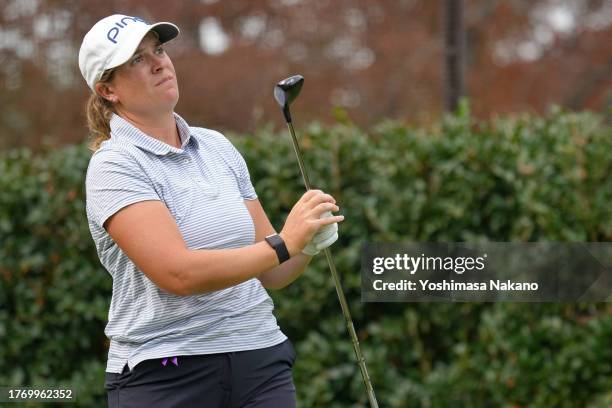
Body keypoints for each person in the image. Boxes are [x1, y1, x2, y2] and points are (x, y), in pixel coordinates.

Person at [79, 14, 343, 408]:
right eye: (136, 59)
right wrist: (286, 242)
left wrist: (306, 244)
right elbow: (178, 273)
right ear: (107, 89)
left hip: (259, 358)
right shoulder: (114, 165)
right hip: (166, 370)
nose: (159, 63)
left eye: (159, 50)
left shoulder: (216, 147)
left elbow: (272, 269)